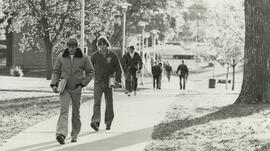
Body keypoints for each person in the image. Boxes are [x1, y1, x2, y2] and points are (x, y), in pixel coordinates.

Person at [50, 37, 94, 144]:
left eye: (73, 47)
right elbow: (56, 71)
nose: (71, 49)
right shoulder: (61, 57)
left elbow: (90, 72)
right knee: (63, 111)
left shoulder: (84, 58)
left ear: (77, 47)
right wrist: (54, 84)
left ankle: (74, 135)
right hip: (64, 88)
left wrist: (82, 84)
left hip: (77, 89)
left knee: (75, 113)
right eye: (69, 46)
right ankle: (61, 134)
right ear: (67, 47)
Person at [90, 36, 122, 131]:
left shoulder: (112, 55)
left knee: (109, 103)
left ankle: (108, 122)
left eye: (103, 44)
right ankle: (95, 122)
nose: (101, 47)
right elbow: (89, 68)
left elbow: (119, 69)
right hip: (98, 81)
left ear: (107, 44)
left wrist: (118, 80)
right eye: (99, 45)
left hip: (110, 79)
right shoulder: (94, 56)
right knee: (97, 102)